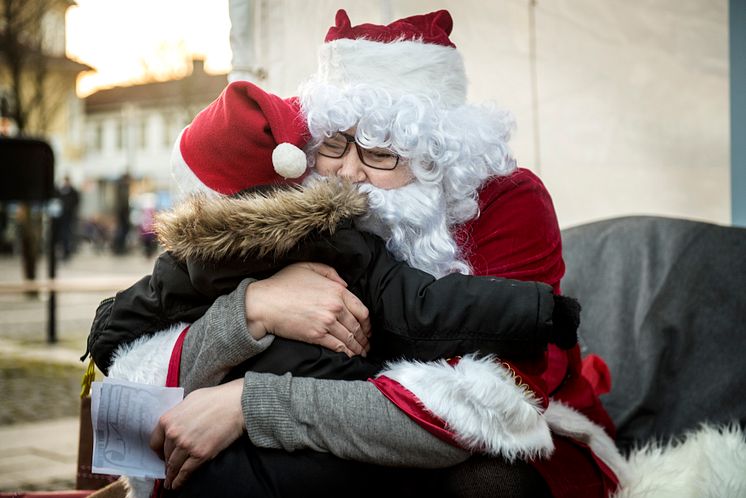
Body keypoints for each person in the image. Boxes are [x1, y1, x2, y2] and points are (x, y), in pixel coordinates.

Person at [105, 9, 624, 498]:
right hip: (336, 431)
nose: (349, 173)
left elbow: (480, 410)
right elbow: (146, 372)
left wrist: (250, 403)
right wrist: (255, 308)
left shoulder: (508, 202)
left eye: (379, 153)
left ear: (436, 156)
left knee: (485, 486)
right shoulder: (298, 198)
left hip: (510, 439)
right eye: (334, 146)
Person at [57, 175, 80, 260]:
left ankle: (68, 251)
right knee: (62, 234)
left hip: (69, 216)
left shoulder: (73, 191)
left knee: (68, 233)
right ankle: (64, 251)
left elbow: (76, 202)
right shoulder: (61, 191)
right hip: (61, 217)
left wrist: (70, 208)